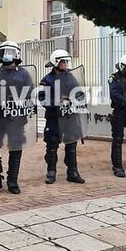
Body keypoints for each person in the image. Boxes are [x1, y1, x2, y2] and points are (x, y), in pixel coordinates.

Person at [0, 40, 33, 195]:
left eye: (9, 52)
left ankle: (12, 181)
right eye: (3, 52)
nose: (6, 55)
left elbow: (30, 96)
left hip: (15, 119)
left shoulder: (24, 74)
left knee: (15, 148)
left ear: (16, 54)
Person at [39, 49, 85, 184]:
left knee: (71, 145)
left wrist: (75, 99)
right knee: (52, 144)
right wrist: (57, 101)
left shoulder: (70, 77)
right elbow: (42, 98)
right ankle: (51, 172)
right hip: (54, 117)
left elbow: (79, 93)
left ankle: (73, 172)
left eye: (66, 61)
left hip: (69, 117)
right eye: (62, 61)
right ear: (56, 62)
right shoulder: (47, 80)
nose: (65, 64)